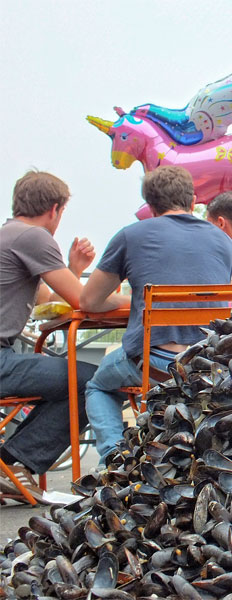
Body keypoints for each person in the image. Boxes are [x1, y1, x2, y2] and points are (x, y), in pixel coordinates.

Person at [81, 166, 232, 464]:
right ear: (192, 201)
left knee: (97, 385)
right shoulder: (223, 241)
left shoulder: (130, 235)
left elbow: (89, 300)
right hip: (207, 364)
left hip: (154, 362)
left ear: (149, 207)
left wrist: (131, 299)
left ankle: (114, 456)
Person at [0, 171, 112, 481]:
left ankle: (13, 464)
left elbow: (46, 301)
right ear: (55, 209)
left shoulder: (10, 235)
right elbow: (83, 300)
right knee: (94, 380)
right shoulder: (33, 237)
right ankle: (12, 463)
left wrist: (73, 268)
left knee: (74, 379)